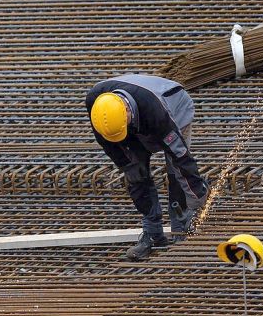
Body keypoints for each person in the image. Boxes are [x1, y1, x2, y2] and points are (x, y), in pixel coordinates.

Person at [86, 74, 209, 260]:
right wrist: (126, 164)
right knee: (136, 173)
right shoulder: (96, 105)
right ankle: (152, 233)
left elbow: (181, 156)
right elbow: (108, 143)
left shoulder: (155, 112)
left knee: (176, 170)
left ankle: (181, 228)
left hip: (175, 106)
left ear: (127, 111)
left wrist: (197, 195)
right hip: (131, 126)